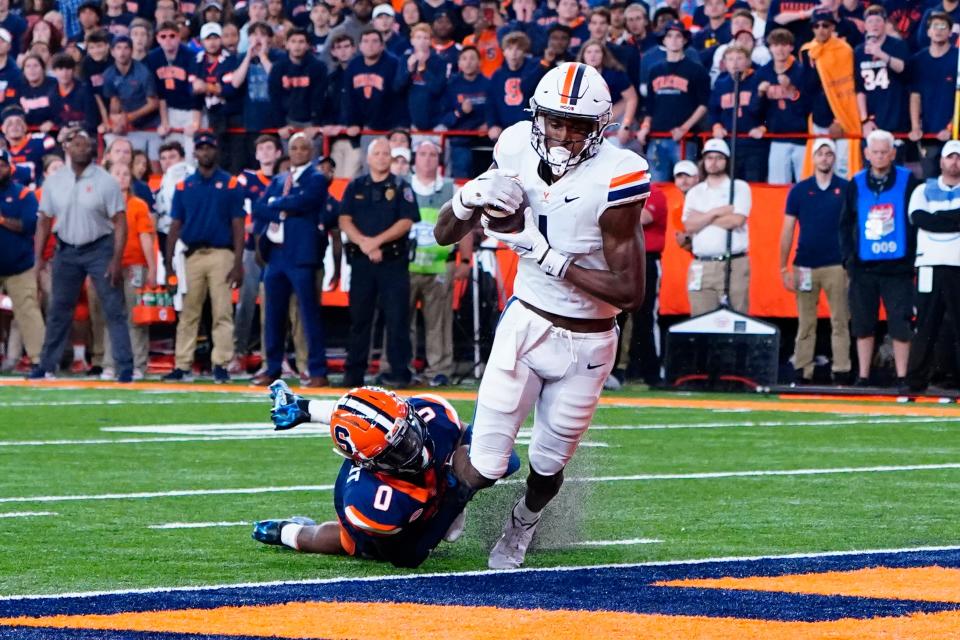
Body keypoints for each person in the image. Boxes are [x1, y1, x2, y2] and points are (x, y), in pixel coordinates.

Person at [432, 62, 648, 569]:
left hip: (590, 342)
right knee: (484, 465)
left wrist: (543, 253)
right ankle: (452, 498)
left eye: (578, 126)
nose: (565, 134)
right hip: (527, 323)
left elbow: (631, 292)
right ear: (537, 117)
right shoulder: (511, 147)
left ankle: (522, 524)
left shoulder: (620, 174)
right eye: (555, 121)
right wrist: (465, 198)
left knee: (548, 465)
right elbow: (444, 234)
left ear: (601, 128)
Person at [252, 381, 519, 566]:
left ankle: (301, 407)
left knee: (478, 459)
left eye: (409, 433)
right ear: (371, 463)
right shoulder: (370, 500)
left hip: (384, 457)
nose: (414, 448)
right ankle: (288, 532)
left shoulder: (428, 414)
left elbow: (510, 460)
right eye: (399, 450)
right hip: (384, 509)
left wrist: (474, 473)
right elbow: (407, 558)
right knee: (342, 541)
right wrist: (455, 498)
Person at [29, 127, 131, 381]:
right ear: (67, 149)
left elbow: (120, 221)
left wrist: (116, 259)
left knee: (112, 308)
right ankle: (46, 365)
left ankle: (125, 367)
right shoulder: (54, 181)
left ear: (94, 150)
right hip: (66, 249)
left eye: (86, 145)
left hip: (99, 248)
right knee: (59, 309)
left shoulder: (106, 180)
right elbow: (44, 220)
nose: (82, 149)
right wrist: (39, 257)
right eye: (76, 145)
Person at [162, 131, 244, 383]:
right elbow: (175, 225)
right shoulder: (184, 185)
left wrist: (238, 262)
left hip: (221, 253)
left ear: (216, 151)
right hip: (193, 254)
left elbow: (238, 225)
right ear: (194, 153)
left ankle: (221, 363)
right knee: (188, 312)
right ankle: (183, 364)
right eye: (201, 148)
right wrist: (169, 265)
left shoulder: (230, 184)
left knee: (222, 311)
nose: (205, 152)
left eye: (209, 148)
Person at [839, 129, 919, 388]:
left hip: (898, 269)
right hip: (864, 268)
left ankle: (902, 376)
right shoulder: (856, 182)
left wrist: (911, 260)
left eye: (885, 152)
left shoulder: (909, 181)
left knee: (900, 323)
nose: (881, 156)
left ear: (893, 153)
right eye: (876, 152)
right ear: (866, 154)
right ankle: (863, 376)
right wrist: (849, 259)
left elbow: (915, 222)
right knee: (862, 322)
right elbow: (845, 224)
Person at [339, 137, 419, 388]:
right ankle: (353, 374)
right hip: (362, 262)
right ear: (368, 158)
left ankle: (399, 373)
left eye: (387, 154)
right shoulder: (355, 186)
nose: (383, 157)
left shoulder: (401, 186)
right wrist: (364, 243)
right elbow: (344, 219)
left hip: (393, 263)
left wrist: (376, 242)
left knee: (397, 319)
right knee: (359, 320)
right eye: (378, 153)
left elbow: (406, 222)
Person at [251, 133, 330, 388]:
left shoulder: (317, 178)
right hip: (276, 254)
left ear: (311, 151)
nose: (298, 152)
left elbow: (307, 201)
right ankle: (272, 367)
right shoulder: (279, 179)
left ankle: (317, 369)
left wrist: (279, 203)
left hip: (302, 255)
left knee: (308, 315)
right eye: (294, 148)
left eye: (303, 148)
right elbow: (260, 207)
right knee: (273, 314)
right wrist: (284, 206)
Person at [779, 138, 851, 385]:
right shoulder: (799, 190)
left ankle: (841, 370)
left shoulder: (846, 188)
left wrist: (850, 263)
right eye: (820, 153)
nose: (824, 158)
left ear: (834, 158)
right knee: (806, 321)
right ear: (813, 157)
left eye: (829, 154)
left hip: (836, 264)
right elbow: (787, 230)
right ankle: (802, 370)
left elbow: (853, 227)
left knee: (840, 320)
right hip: (805, 264)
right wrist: (783, 266)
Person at [407, 140, 470, 387]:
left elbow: (465, 226)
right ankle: (403, 366)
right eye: (422, 154)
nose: (427, 159)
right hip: (407, 264)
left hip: (441, 264)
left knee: (439, 322)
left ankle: (439, 370)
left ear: (439, 159)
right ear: (415, 158)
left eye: (432, 154)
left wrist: (465, 259)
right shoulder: (403, 186)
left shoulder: (450, 188)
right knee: (403, 320)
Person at [904, 140, 960, 392]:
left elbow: (930, 219)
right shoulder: (922, 190)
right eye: (950, 157)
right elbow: (919, 219)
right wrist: (952, 220)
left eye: (958, 158)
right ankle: (916, 380)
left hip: (957, 264)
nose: (954, 162)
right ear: (941, 161)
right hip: (928, 264)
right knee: (926, 323)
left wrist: (936, 218)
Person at [681, 138, 751, 315]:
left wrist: (702, 217)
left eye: (718, 157)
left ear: (727, 161)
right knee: (700, 320)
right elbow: (689, 225)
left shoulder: (739, 187)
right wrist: (716, 212)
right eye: (709, 157)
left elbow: (737, 221)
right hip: (701, 263)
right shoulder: (695, 192)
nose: (713, 162)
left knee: (737, 316)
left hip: (733, 262)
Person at [230, 134, 280, 374]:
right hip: (251, 248)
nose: (266, 152)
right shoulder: (246, 179)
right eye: (262, 148)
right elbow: (235, 207)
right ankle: (238, 352)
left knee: (274, 306)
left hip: (277, 250)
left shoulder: (284, 181)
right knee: (246, 303)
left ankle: (273, 357)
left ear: (278, 153)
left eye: (270, 147)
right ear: (256, 153)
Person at [101, 159, 155, 380]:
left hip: (134, 265)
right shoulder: (102, 204)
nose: (122, 177)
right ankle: (109, 363)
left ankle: (138, 364)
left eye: (125, 173)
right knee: (111, 315)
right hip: (108, 264)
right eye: (117, 173)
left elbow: (145, 237)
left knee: (136, 316)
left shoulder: (138, 205)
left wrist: (151, 267)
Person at [637, 21, 708, 183]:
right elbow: (650, 106)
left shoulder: (696, 70)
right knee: (656, 187)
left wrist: (685, 128)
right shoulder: (654, 70)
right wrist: (645, 127)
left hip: (684, 139)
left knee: (687, 186)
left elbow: (703, 105)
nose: (674, 40)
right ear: (664, 41)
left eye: (678, 36)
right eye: (669, 36)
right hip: (657, 137)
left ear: (684, 40)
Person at [0, 150, 44, 371]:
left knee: (28, 310)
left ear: (10, 168)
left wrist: (1, 220)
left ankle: (40, 360)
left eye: (1, 165)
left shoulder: (23, 194)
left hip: (19, 265)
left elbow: (28, 225)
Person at [909, 12, 958, 178]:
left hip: (955, 134)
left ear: (951, 33)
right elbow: (915, 95)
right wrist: (916, 127)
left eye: (943, 27)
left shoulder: (957, 58)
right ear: (928, 31)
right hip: (928, 135)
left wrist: (950, 127)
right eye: (934, 26)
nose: (939, 30)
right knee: (929, 180)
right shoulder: (918, 60)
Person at [758, 28, 809, 185]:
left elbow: (808, 106)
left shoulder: (802, 72)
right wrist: (760, 94)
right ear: (770, 47)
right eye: (775, 45)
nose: (779, 49)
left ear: (791, 47)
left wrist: (791, 90)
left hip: (802, 137)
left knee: (805, 185)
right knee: (777, 186)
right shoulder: (763, 72)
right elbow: (756, 110)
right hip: (777, 137)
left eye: (784, 45)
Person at [102, 34, 160, 163]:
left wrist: (129, 117)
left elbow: (153, 103)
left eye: (126, 48)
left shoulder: (143, 72)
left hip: (150, 125)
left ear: (131, 51)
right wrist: (115, 119)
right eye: (118, 48)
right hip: (127, 127)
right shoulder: (108, 74)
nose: (122, 52)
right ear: (112, 52)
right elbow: (114, 100)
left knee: (153, 163)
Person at [441, 46, 489, 179]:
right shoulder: (451, 86)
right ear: (459, 63)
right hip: (460, 141)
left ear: (479, 62)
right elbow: (445, 119)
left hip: (485, 140)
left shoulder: (488, 84)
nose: (468, 62)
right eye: (464, 59)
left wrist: (489, 124)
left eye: (472, 58)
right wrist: (460, 111)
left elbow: (495, 110)